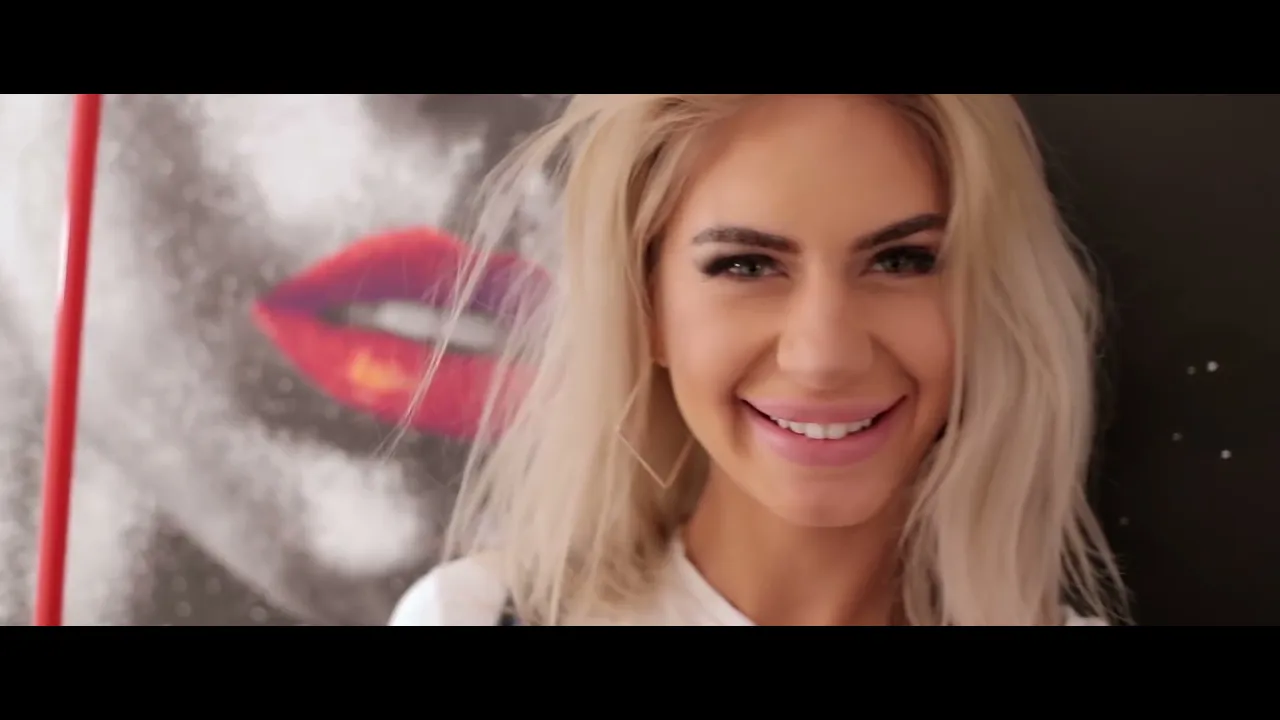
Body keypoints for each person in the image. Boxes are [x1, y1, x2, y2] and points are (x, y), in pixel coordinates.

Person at [388, 94, 1126, 626]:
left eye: (901, 260)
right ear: (644, 310)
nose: (824, 356)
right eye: (745, 266)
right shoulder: (476, 615)